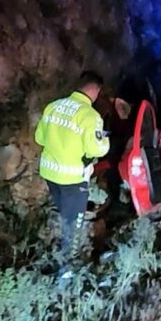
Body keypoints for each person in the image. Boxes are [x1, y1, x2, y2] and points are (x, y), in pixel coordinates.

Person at [35, 71, 110, 276]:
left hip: (51, 174)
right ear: (94, 89)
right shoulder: (89, 116)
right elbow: (96, 149)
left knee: (64, 215)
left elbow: (40, 138)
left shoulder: (53, 106)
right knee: (74, 225)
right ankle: (68, 270)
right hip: (72, 179)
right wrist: (105, 141)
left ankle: (59, 255)